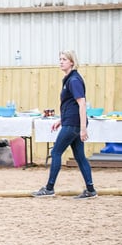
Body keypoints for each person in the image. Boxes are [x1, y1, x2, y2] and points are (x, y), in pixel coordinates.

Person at [32, 49, 97, 199]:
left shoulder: (73, 81)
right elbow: (71, 104)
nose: (61, 61)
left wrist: (82, 129)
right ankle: (90, 190)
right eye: (60, 59)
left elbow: (82, 104)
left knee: (56, 152)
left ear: (72, 62)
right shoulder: (70, 79)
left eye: (64, 59)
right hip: (71, 122)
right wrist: (61, 120)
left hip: (73, 124)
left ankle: (49, 188)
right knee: (80, 157)